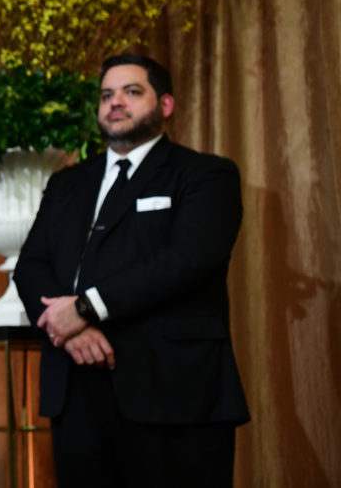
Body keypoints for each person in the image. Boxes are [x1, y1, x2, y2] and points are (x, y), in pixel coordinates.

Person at [13, 54, 249, 488]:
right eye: (106, 95)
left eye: (131, 92)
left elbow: (186, 260)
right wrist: (69, 329)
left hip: (173, 392)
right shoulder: (67, 183)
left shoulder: (205, 175)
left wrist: (85, 307)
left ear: (165, 105)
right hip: (76, 387)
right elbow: (30, 267)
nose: (115, 103)